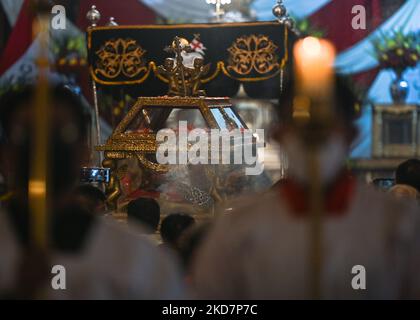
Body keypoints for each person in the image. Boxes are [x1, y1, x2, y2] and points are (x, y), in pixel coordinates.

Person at [191, 76, 420, 299]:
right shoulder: (239, 228)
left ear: (351, 135)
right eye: (301, 124)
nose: (313, 137)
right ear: (277, 134)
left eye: (325, 125)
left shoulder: (399, 225)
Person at [0, 85, 184, 299]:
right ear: (6, 154)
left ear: (84, 151)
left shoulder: (139, 261)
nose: (43, 146)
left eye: (61, 132)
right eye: (27, 133)